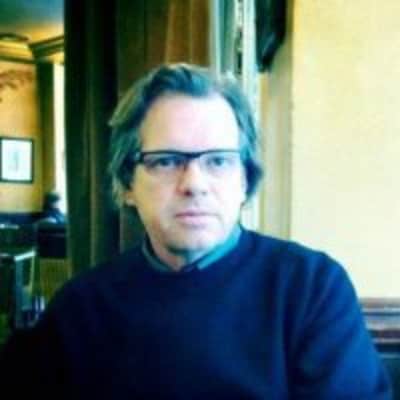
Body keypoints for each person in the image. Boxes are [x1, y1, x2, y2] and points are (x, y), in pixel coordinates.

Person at [0, 64, 392, 399]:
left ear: (244, 181)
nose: (194, 184)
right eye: (166, 161)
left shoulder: (311, 288)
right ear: (128, 184)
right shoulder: (80, 308)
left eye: (218, 161)